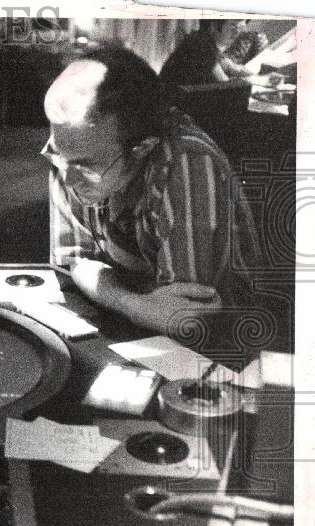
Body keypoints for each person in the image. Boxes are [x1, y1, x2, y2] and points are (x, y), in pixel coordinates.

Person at [43, 46, 261, 335]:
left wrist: (123, 298)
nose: (66, 179)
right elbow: (76, 261)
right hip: (135, 317)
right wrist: (133, 304)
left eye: (84, 167)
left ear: (141, 150)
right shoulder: (74, 151)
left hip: (223, 341)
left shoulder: (188, 164)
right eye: (60, 155)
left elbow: (182, 316)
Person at [159, 19, 276, 89]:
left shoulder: (203, 40)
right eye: (232, 26)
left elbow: (234, 68)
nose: (236, 33)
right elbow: (227, 86)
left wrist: (264, 78)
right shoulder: (200, 46)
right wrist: (262, 81)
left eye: (240, 28)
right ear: (213, 25)